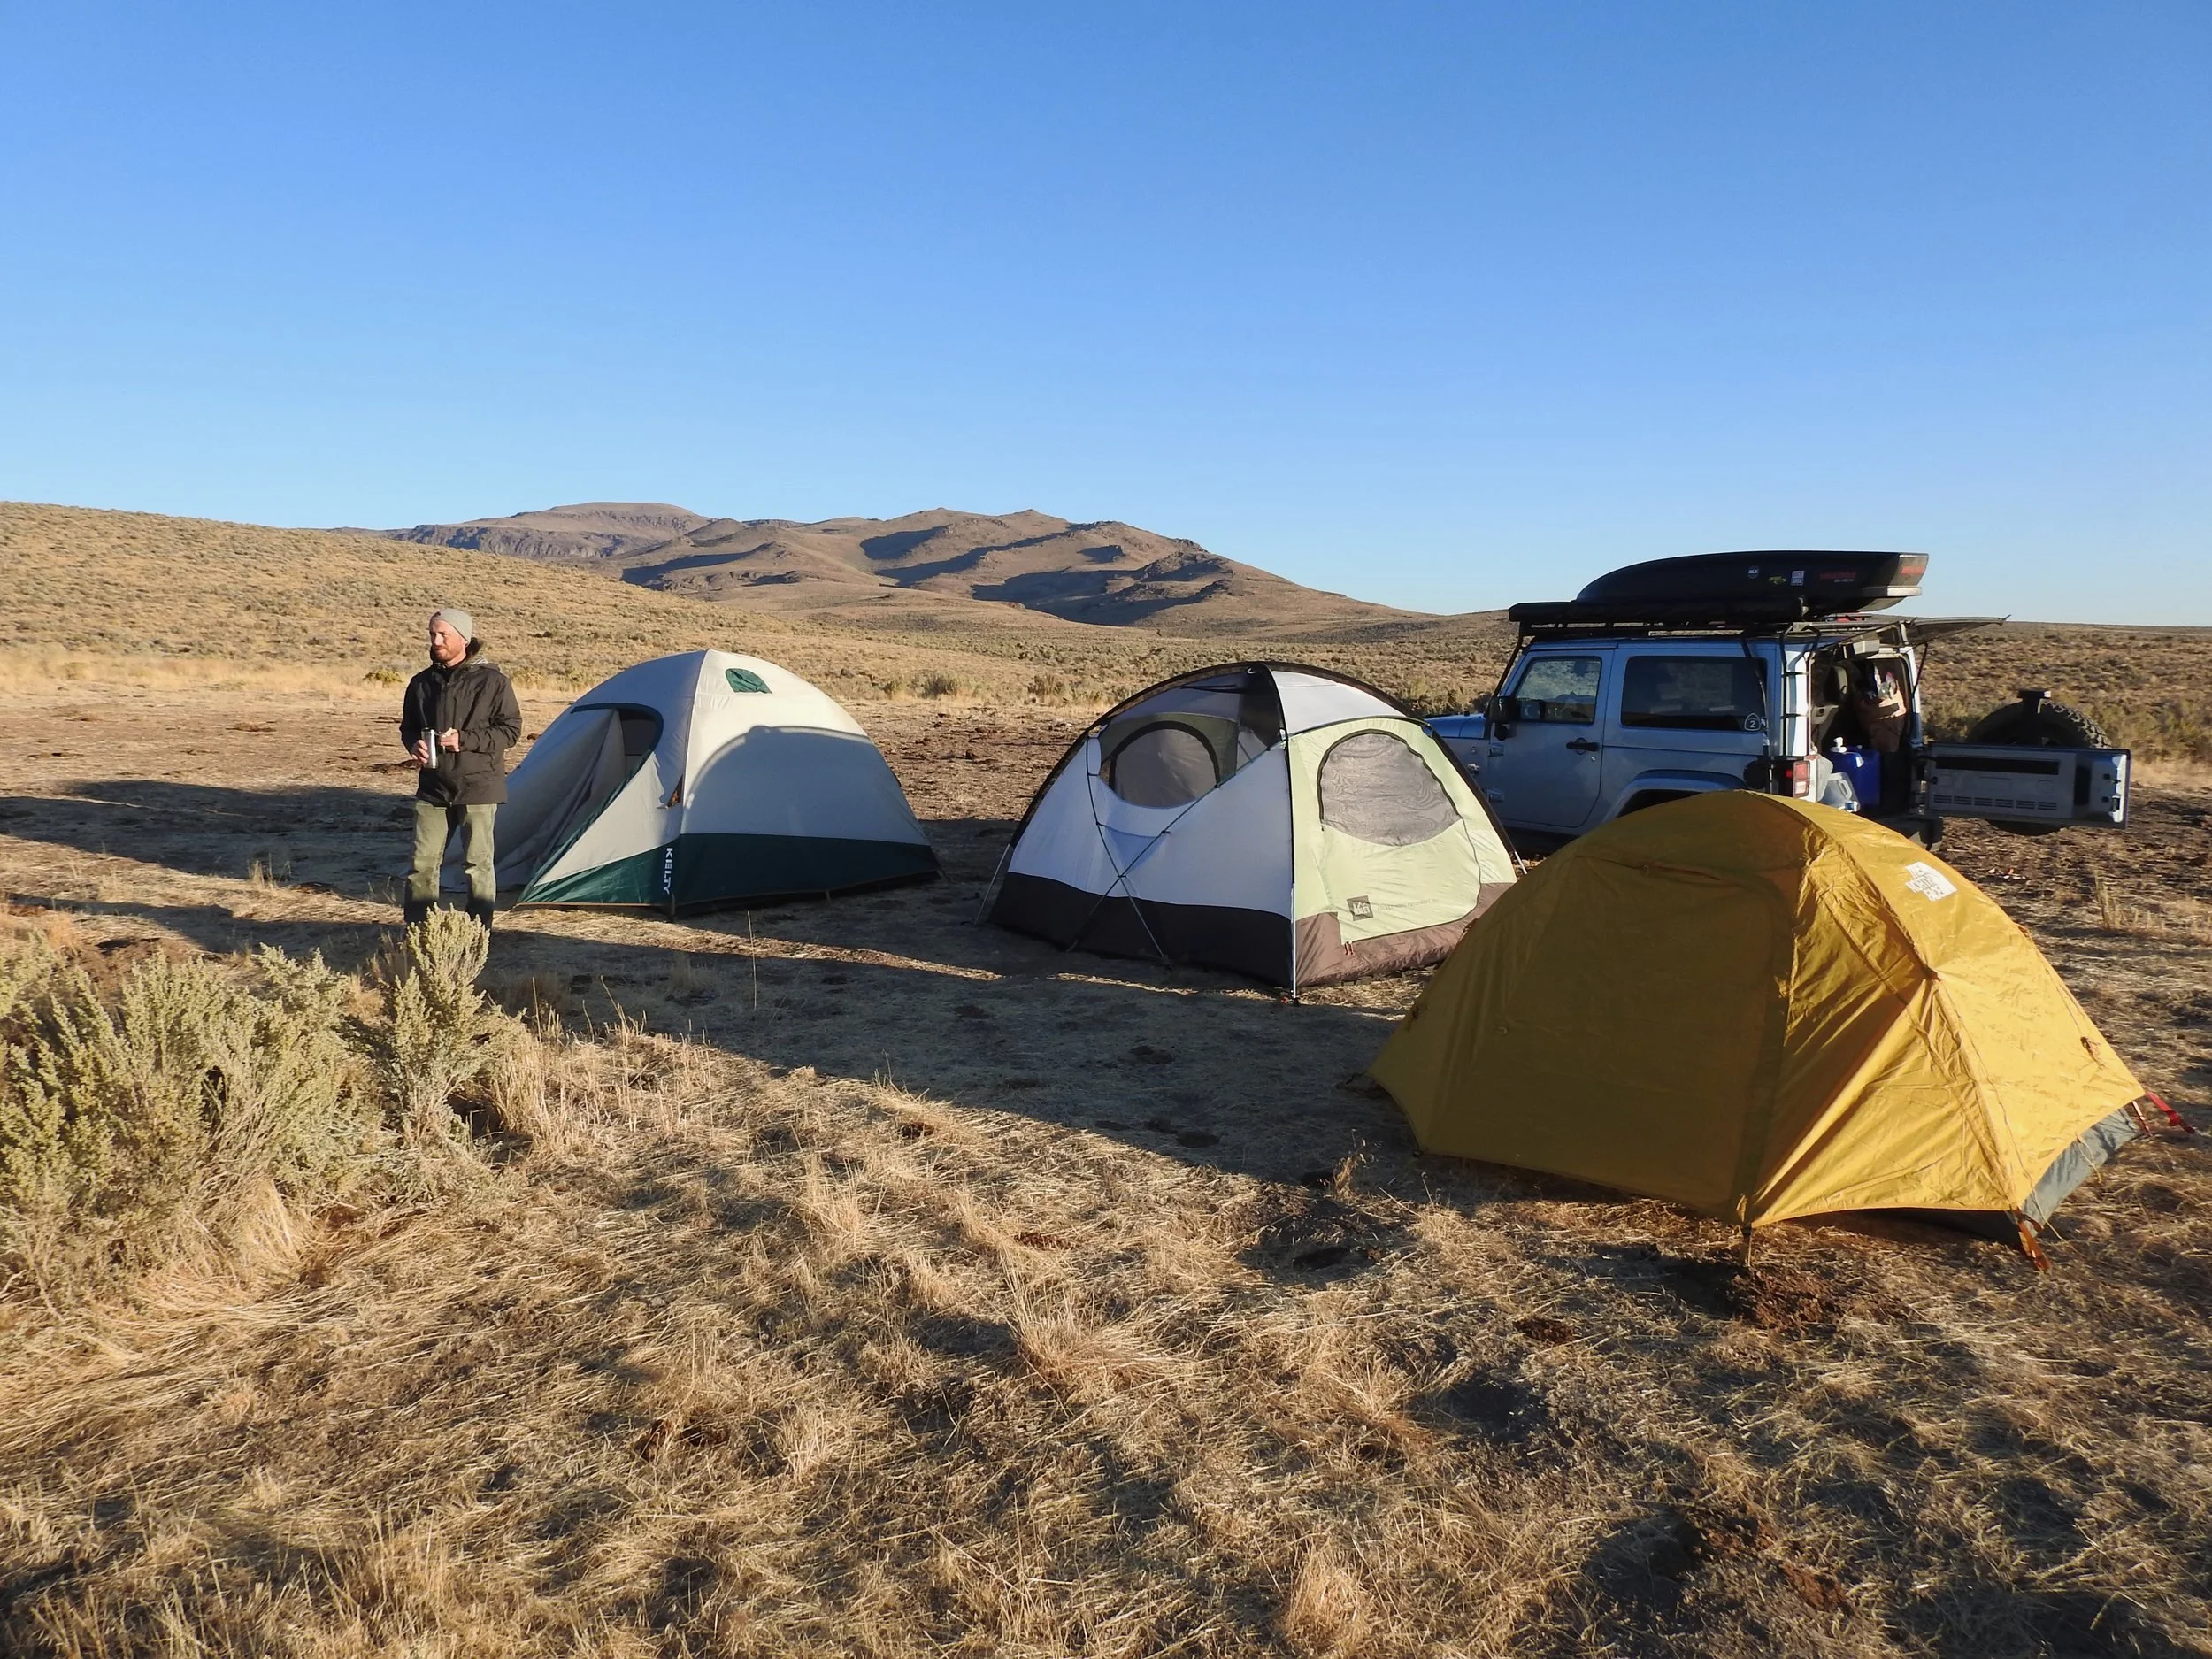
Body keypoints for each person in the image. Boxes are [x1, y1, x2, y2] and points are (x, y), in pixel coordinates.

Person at [399, 608, 521, 929]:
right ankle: (419, 930)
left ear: (464, 640)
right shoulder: (421, 683)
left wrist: (463, 740)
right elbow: (408, 728)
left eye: (443, 635)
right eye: (432, 634)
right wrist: (414, 745)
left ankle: (480, 931)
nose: (435, 641)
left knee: (477, 864)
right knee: (421, 863)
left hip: (478, 786)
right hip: (433, 787)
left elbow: (510, 731)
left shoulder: (493, 682)